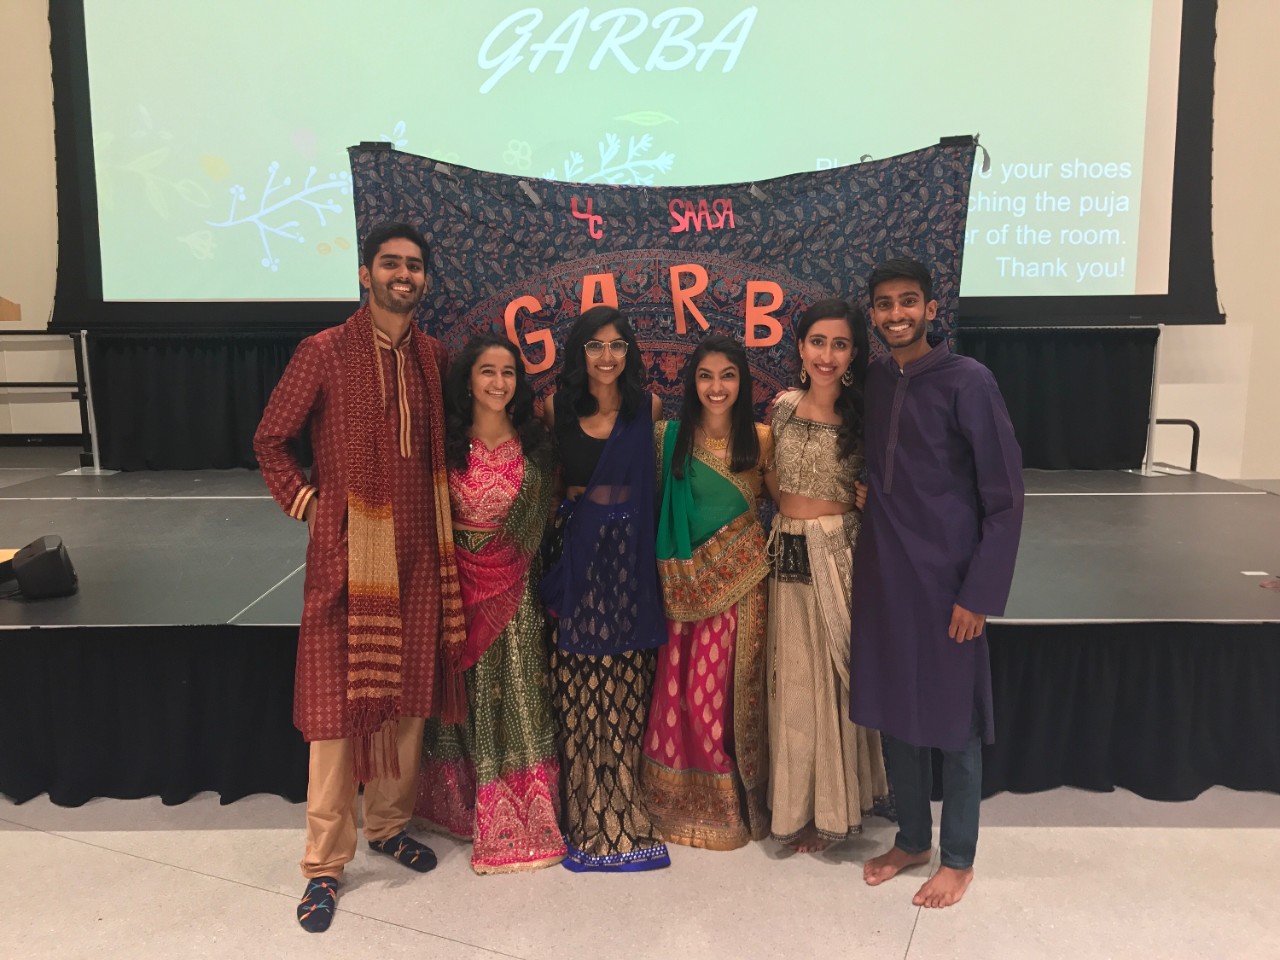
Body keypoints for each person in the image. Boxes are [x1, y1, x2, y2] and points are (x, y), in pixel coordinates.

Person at [254, 221, 464, 933]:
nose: (403, 275)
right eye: (390, 264)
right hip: (349, 559)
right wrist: (306, 503)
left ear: (425, 280)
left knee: (407, 700)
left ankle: (389, 824)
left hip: (418, 553)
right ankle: (323, 865)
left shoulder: (433, 358)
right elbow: (270, 438)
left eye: (414, 265)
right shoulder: (324, 352)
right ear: (365, 275)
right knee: (335, 714)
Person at [854, 258, 1024, 909]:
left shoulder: (969, 382)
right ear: (872, 313)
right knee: (897, 713)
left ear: (930, 308)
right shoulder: (873, 379)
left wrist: (979, 594)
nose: (896, 314)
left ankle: (958, 857)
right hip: (885, 577)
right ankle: (912, 839)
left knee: (954, 723)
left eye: (908, 302)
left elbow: (1006, 499)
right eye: (884, 304)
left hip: (950, 583)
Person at [414, 334, 566, 873]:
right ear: (468, 380)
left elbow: (541, 522)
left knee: (519, 692)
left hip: (517, 588)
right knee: (465, 694)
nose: (499, 382)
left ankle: (524, 816)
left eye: (508, 373)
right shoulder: (446, 444)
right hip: (455, 589)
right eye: (488, 371)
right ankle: (456, 807)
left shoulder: (537, 445)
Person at [540, 304, 671, 872]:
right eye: (595, 345)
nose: (607, 356)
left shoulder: (649, 408)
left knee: (623, 677)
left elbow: (655, 488)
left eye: (617, 345)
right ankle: (582, 807)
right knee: (579, 676)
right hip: (578, 553)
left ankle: (621, 793)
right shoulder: (556, 408)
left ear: (630, 352)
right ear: (579, 352)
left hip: (630, 559)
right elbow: (548, 486)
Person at [763, 298, 889, 852]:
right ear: (800, 347)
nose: (827, 355)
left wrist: (864, 503)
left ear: (854, 353)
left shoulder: (865, 418)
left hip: (838, 557)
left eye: (840, 345)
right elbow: (772, 477)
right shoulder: (782, 408)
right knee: (792, 685)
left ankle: (835, 808)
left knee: (832, 683)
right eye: (818, 342)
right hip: (785, 554)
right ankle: (795, 807)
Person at [641, 334, 773, 849]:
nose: (716, 388)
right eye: (705, 376)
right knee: (677, 693)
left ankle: (729, 802)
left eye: (728, 376)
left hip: (740, 590)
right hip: (680, 590)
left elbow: (787, 500)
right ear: (691, 382)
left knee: (714, 699)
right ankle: (674, 799)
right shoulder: (666, 439)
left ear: (743, 382)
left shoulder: (761, 439)